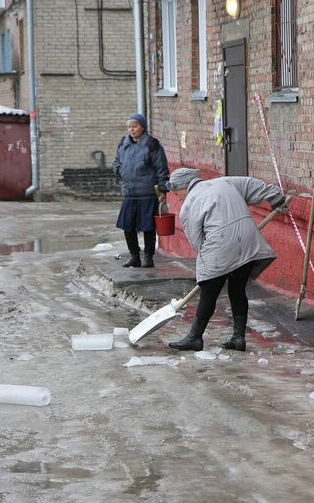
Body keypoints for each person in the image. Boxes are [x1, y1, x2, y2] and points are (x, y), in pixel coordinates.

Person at [166, 168, 287, 352]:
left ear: (184, 186)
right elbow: (251, 185)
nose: (177, 197)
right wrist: (274, 197)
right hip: (248, 242)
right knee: (237, 289)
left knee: (209, 292)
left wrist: (209, 269)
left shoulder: (188, 206)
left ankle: (195, 338)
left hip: (220, 245)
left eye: (176, 192)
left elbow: (197, 243)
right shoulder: (223, 182)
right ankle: (238, 338)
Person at [112, 113, 169, 268]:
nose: (132, 129)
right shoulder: (123, 143)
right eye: (129, 127)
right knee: (128, 226)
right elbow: (116, 161)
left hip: (148, 192)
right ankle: (134, 256)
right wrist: (119, 170)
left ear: (143, 127)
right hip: (129, 192)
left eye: (135, 126)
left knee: (148, 227)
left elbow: (161, 168)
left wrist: (163, 189)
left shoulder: (152, 144)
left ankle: (148, 257)